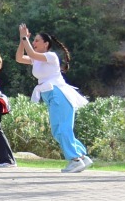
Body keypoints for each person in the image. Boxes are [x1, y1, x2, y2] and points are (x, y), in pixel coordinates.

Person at [16, 23, 92, 172]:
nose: (34, 42)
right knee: (58, 131)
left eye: (37, 40)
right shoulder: (37, 59)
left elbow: (31, 53)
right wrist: (22, 39)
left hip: (59, 94)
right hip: (51, 96)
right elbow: (19, 58)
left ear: (46, 44)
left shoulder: (51, 56)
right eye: (33, 40)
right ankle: (81, 157)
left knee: (63, 129)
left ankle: (75, 160)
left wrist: (24, 37)